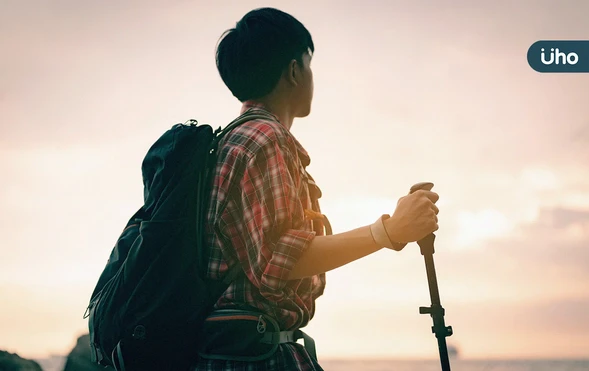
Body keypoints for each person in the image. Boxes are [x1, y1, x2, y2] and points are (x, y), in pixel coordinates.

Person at [196, 7, 439, 371]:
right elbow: (279, 258)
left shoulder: (232, 140)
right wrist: (389, 231)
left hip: (234, 351)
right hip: (252, 357)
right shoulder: (264, 139)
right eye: (308, 65)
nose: (311, 77)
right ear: (294, 71)